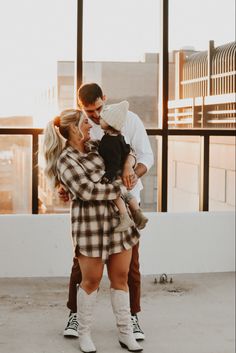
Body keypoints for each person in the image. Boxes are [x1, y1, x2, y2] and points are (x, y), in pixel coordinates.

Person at [44, 109, 143, 353]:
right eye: (85, 122)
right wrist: (119, 187)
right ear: (75, 128)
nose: (90, 124)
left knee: (121, 278)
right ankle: (85, 333)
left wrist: (128, 164)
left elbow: (126, 151)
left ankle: (126, 333)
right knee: (91, 281)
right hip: (89, 229)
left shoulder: (97, 146)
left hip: (119, 224)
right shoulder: (65, 160)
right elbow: (87, 191)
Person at [62, 83, 154, 341]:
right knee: (82, 262)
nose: (94, 116)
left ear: (105, 99)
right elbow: (74, 160)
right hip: (94, 206)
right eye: (88, 112)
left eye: (98, 109)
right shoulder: (84, 127)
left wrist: (130, 172)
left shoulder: (129, 120)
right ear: (82, 108)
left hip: (124, 199)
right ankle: (75, 314)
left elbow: (144, 154)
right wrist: (64, 186)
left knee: (129, 265)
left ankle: (132, 317)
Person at [99, 99, 148, 232]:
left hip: (114, 174)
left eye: (102, 119)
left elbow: (113, 162)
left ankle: (125, 217)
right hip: (121, 174)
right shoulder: (120, 137)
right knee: (126, 194)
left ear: (109, 123)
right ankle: (138, 213)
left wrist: (108, 176)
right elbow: (128, 150)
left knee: (116, 194)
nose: (99, 119)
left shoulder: (109, 142)